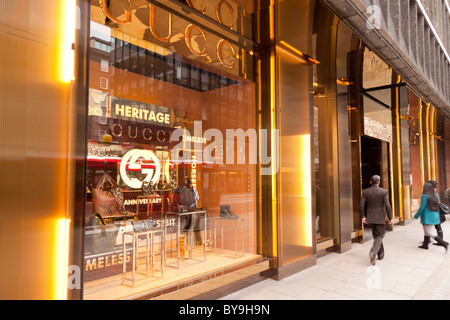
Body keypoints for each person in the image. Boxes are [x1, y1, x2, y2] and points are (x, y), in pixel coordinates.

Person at [360, 175, 393, 265]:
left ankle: (381, 254)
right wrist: (390, 218)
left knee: (376, 235)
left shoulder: (365, 191)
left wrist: (363, 216)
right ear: (379, 182)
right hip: (380, 218)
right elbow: (387, 205)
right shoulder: (383, 191)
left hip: (370, 218)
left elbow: (362, 205)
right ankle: (373, 252)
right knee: (380, 235)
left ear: (370, 182)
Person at [414, 182, 448, 252]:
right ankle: (425, 245)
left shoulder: (425, 196)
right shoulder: (436, 195)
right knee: (427, 231)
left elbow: (422, 207)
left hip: (427, 216)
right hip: (434, 216)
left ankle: (443, 243)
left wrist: (416, 215)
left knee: (429, 232)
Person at [426, 180, 444, 246]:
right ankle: (439, 240)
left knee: (428, 226)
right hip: (436, 212)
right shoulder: (434, 192)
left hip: (433, 212)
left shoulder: (431, 193)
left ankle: (440, 241)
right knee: (436, 226)